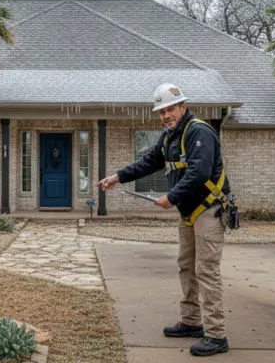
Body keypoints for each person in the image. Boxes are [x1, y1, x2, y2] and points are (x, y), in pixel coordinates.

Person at [97, 82, 231, 357]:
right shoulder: (170, 136)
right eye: (161, 111)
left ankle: (217, 336)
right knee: (186, 267)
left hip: (208, 210)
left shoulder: (199, 132)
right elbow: (148, 162)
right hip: (189, 212)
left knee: (206, 270)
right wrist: (117, 177)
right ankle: (192, 322)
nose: (165, 115)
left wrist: (171, 196)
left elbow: (200, 172)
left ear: (183, 106)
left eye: (170, 109)